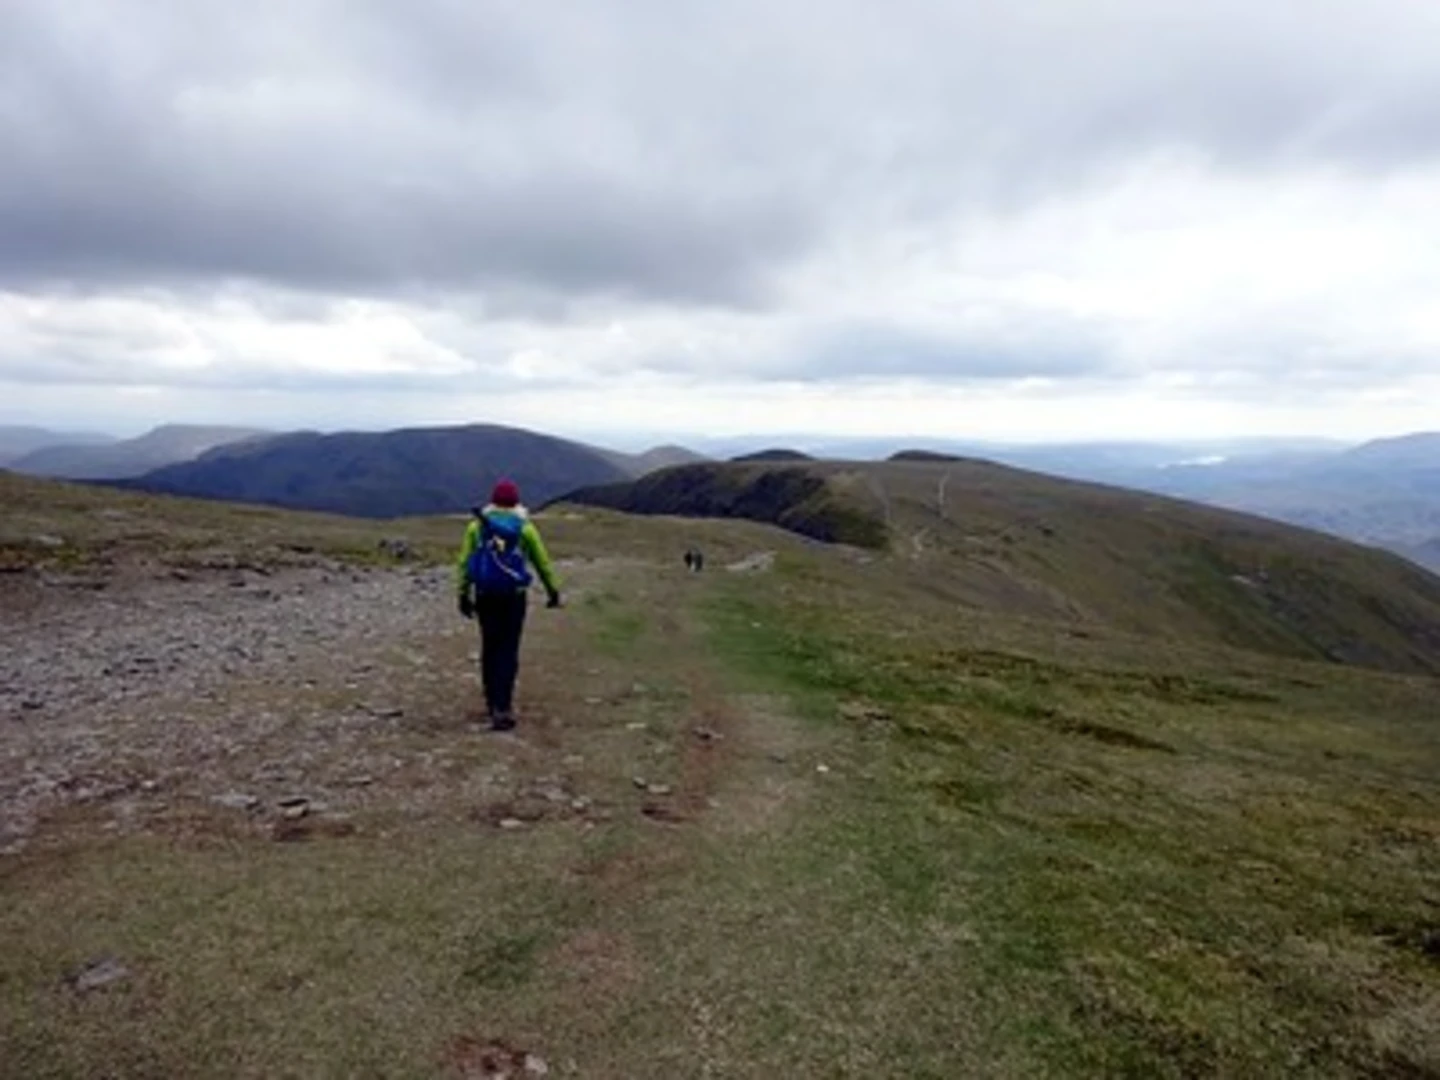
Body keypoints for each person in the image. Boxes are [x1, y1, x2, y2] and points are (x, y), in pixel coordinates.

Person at [455, 479, 562, 731]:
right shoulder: (525, 528)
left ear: (492, 501)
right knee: (508, 648)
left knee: (490, 646)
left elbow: (465, 562)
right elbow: (541, 561)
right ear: (516, 501)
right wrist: (553, 591)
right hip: (514, 596)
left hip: (485, 595)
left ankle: (492, 702)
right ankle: (504, 705)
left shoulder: (476, 527)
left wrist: (462, 594)